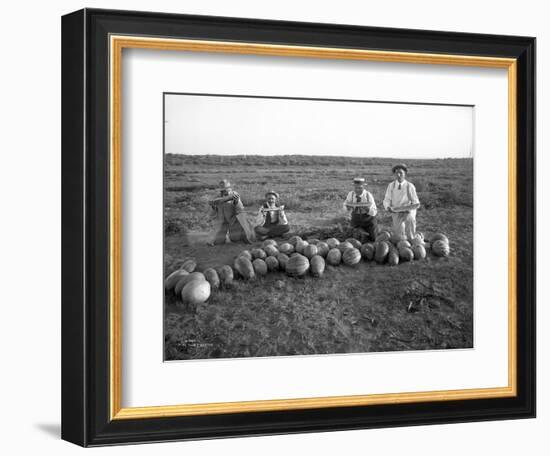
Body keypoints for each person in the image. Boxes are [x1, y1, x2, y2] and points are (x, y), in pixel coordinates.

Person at [208, 179, 256, 245]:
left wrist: (236, 202)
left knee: (234, 239)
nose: (225, 190)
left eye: (226, 188)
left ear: (230, 188)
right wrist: (213, 206)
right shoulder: (217, 197)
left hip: (233, 220)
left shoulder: (235, 194)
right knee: (218, 242)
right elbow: (212, 204)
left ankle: (243, 235)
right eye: (223, 189)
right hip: (222, 221)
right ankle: (222, 237)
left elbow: (240, 210)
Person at [383, 164, 421, 241]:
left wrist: (410, 209)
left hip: (408, 211)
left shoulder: (409, 186)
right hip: (396, 211)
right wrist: (388, 207)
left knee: (410, 225)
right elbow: (387, 199)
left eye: (401, 173)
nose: (398, 175)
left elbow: (416, 202)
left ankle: (412, 241)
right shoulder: (391, 185)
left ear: (405, 174)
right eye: (396, 173)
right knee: (399, 236)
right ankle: (402, 243)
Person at [343, 177, 378, 242]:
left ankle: (369, 232)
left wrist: (367, 210)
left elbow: (374, 212)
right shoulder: (351, 194)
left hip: (368, 221)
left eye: (360, 188)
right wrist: (347, 208)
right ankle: (360, 232)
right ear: (353, 187)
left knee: (373, 239)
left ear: (364, 187)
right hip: (356, 221)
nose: (358, 190)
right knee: (356, 240)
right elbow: (345, 205)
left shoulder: (368, 195)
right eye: (356, 188)